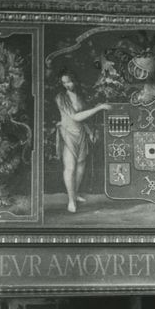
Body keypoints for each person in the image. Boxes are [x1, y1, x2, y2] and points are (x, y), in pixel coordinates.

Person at [55, 70, 111, 213]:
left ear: (75, 80)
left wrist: (90, 131)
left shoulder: (80, 96)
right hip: (68, 134)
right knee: (70, 168)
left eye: (69, 81)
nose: (67, 85)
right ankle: (71, 201)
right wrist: (99, 108)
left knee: (80, 167)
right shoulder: (61, 97)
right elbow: (75, 117)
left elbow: (83, 119)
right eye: (64, 82)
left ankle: (75, 193)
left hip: (81, 133)